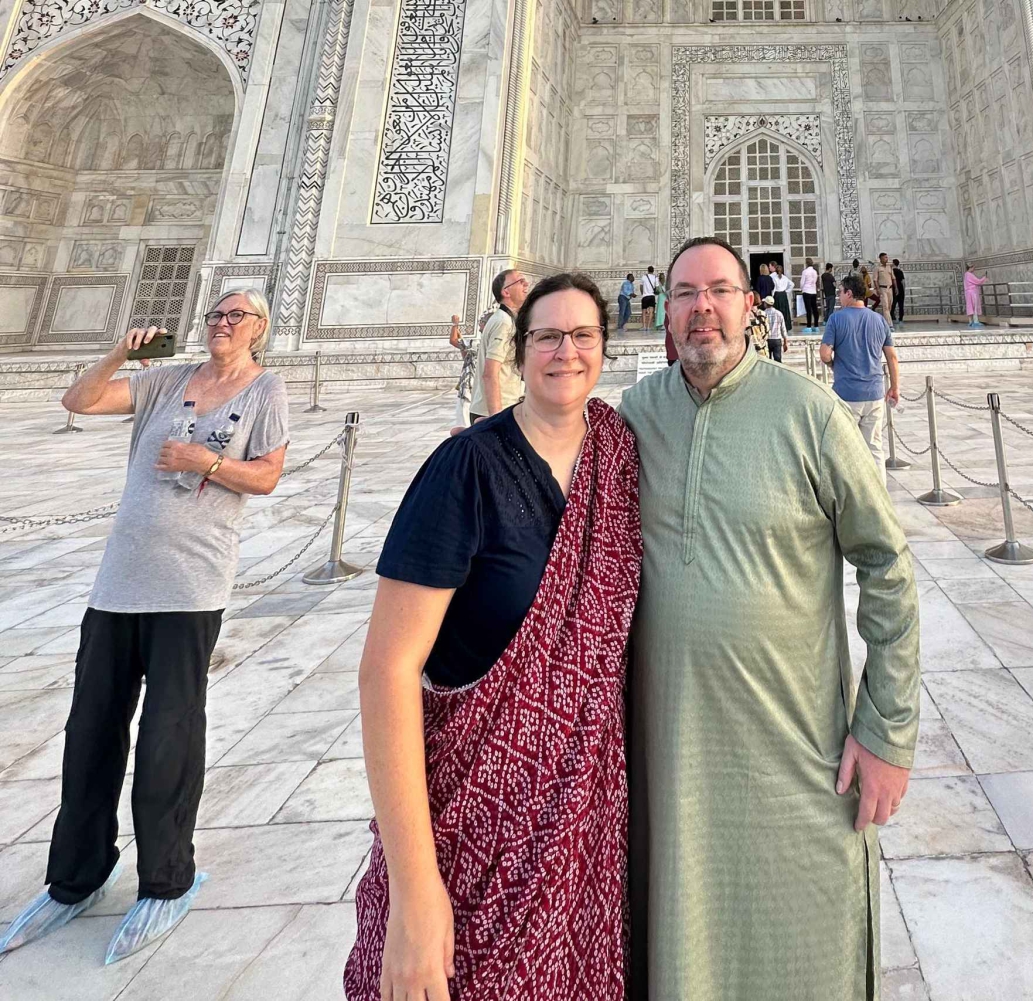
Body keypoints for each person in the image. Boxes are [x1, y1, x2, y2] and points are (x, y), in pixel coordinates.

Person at [620, 236, 920, 1000]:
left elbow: (887, 563)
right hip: (673, 756)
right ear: (665, 311)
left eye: (720, 291)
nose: (703, 309)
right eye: (686, 293)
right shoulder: (636, 417)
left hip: (797, 750)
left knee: (809, 944)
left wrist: (887, 729)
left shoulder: (810, 413)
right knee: (681, 932)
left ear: (751, 306)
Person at [346, 273, 641, 1000]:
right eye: (548, 336)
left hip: (578, 833)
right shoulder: (466, 467)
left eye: (583, 336)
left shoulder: (619, 456)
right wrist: (416, 891)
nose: (566, 352)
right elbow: (386, 671)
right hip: (467, 832)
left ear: (604, 348)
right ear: (518, 349)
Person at [0, 289, 290, 964]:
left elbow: (267, 476)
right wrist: (117, 354)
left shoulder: (265, 389)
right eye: (215, 313)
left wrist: (203, 462)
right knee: (90, 730)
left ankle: (166, 879)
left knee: (168, 736)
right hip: (119, 584)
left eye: (236, 316)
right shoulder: (165, 380)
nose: (222, 323)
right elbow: (78, 401)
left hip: (190, 586)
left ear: (258, 328)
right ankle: (76, 875)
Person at [821, 275, 900, 461]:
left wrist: (833, 365)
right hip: (874, 393)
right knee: (874, 448)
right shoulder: (879, 320)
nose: (839, 296)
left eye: (841, 292)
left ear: (849, 293)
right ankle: (877, 481)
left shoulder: (836, 319)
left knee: (845, 450)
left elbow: (824, 354)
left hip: (847, 393)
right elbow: (892, 357)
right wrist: (895, 387)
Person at [473, 269, 529, 425]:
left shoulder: (507, 319)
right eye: (520, 281)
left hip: (504, 407)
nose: (526, 284)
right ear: (506, 292)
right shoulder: (503, 323)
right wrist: (496, 421)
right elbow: (490, 373)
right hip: (495, 411)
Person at [448, 314, 475, 427]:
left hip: (469, 385)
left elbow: (453, 341)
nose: (479, 325)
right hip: (475, 385)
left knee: (464, 419)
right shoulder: (484, 343)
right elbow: (465, 355)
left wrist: (455, 324)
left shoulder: (476, 343)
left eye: (482, 322)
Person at [761, 294, 787, 361]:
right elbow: (783, 329)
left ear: (766, 304)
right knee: (778, 360)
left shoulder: (763, 314)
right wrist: (785, 342)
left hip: (767, 340)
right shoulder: (779, 313)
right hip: (777, 339)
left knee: (767, 360)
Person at [770, 261, 794, 332]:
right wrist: (786, 291)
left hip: (777, 295)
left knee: (777, 310)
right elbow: (792, 284)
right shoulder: (785, 278)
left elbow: (774, 288)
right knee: (785, 311)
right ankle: (786, 326)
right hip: (783, 295)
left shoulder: (774, 278)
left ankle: (778, 326)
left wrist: (772, 295)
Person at [800, 257, 821, 333]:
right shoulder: (815, 272)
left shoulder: (805, 272)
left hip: (806, 291)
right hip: (813, 291)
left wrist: (801, 288)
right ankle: (816, 325)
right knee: (815, 308)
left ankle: (809, 326)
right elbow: (815, 281)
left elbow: (802, 282)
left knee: (808, 309)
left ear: (806, 263)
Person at [964, 263, 988, 328]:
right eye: (973, 267)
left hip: (968, 293)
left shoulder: (966, 274)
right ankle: (976, 321)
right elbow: (977, 281)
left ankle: (970, 321)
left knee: (970, 306)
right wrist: (984, 278)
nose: (974, 269)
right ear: (970, 267)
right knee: (974, 306)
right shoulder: (969, 275)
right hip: (972, 293)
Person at [875, 253, 896, 326]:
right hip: (882, 289)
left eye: (887, 257)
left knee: (889, 306)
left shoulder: (889, 267)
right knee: (885, 306)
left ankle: (885, 322)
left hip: (890, 289)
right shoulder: (877, 268)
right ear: (881, 259)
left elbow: (893, 278)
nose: (886, 259)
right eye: (885, 257)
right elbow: (875, 280)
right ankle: (890, 325)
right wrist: (877, 289)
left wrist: (896, 288)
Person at [640, 265, 661, 330]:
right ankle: (648, 326)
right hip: (652, 296)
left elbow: (641, 286)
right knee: (651, 312)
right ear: (653, 270)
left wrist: (643, 293)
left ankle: (644, 326)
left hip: (645, 296)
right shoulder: (655, 277)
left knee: (644, 311)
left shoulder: (644, 277)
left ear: (648, 270)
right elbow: (657, 287)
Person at [892, 258, 907, 327]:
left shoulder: (891, 272)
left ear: (893, 263)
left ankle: (893, 318)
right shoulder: (900, 271)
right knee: (901, 305)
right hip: (901, 290)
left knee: (893, 305)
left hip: (893, 290)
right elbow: (903, 282)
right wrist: (903, 290)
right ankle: (901, 319)